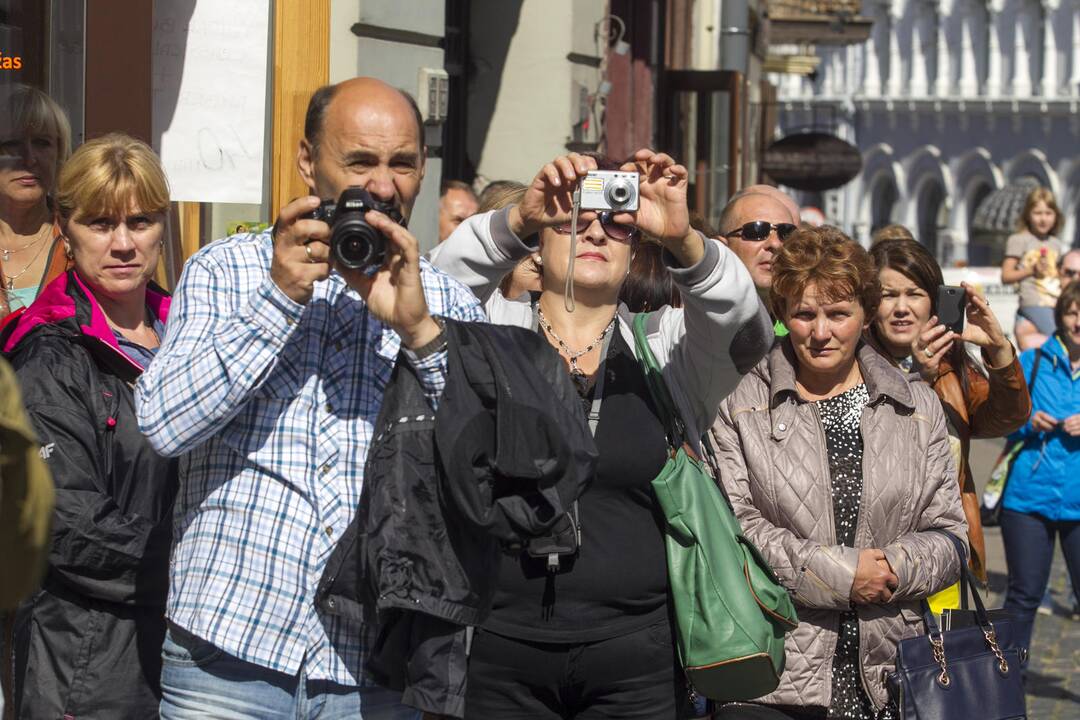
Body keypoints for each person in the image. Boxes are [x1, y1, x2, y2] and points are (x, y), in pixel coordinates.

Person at [135, 77, 485, 719]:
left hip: (373, 665)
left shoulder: (448, 305)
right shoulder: (227, 270)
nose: (382, 186)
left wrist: (419, 337)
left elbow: (478, 479)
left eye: (401, 163)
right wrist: (278, 298)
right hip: (227, 653)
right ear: (307, 161)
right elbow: (163, 423)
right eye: (360, 161)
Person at [431, 150, 772, 719]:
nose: (594, 230)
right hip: (496, 647)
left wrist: (683, 238)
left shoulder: (662, 348)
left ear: (635, 245)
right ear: (540, 246)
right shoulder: (492, 334)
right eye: (572, 217)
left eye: (616, 221)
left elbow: (746, 330)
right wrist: (515, 220)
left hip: (636, 654)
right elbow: (428, 291)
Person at [710, 226, 966, 719]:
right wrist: (844, 576)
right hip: (774, 671)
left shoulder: (917, 407)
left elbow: (950, 535)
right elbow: (734, 529)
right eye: (804, 314)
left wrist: (893, 570)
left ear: (866, 315)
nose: (820, 331)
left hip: (892, 671)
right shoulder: (741, 405)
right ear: (782, 315)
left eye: (838, 314)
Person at [2, 133, 176, 718]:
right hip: (88, 659)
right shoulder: (48, 354)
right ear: (64, 227)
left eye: (142, 221)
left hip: (189, 651)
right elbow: (64, 522)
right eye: (101, 223)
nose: (124, 244)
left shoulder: (191, 335)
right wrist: (196, 567)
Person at [868, 237, 1029, 583]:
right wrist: (918, 381)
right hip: (883, 557)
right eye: (887, 295)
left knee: (947, 638)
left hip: (951, 549)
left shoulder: (951, 364)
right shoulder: (852, 364)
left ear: (935, 301)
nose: (901, 308)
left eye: (914, 294)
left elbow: (1006, 418)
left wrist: (999, 349)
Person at [999, 280, 1080, 652]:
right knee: (1023, 597)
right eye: (1072, 312)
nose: (1078, 321)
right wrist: (1030, 423)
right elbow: (1001, 421)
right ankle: (1010, 686)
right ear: (1060, 316)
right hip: (1027, 499)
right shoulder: (1031, 362)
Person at [0, 85, 72, 314]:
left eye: (42, 143)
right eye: (11, 144)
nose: (29, 159)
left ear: (59, 153)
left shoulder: (80, 238)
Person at [716, 186, 800, 336]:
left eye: (786, 233)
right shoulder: (697, 317)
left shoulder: (802, 330)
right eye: (757, 230)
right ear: (723, 246)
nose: (775, 244)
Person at [1001, 187, 1067, 343]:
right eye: (1038, 213)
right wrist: (1031, 270)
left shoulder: (1056, 244)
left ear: (1056, 216)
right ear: (1028, 215)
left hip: (1056, 303)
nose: (1043, 219)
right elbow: (1006, 275)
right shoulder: (1019, 240)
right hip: (1033, 301)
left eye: (1048, 213)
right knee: (1060, 340)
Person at [1014, 247, 1080, 350]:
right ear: (1058, 271)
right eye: (1070, 273)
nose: (1076, 279)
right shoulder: (1040, 302)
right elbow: (1027, 341)